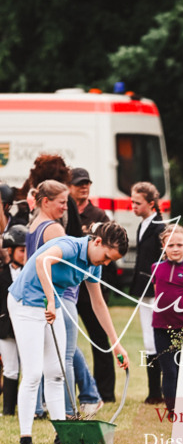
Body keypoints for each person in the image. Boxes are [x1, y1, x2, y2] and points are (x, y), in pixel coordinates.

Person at [8, 221, 129, 444]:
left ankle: (62, 434)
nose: (105, 262)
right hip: (25, 302)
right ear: (98, 242)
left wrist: (116, 344)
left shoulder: (94, 265)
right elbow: (43, 262)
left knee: (56, 372)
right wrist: (52, 300)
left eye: (109, 261)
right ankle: (25, 438)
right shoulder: (70, 246)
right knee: (34, 373)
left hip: (50, 305)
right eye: (106, 257)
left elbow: (98, 303)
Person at [25, 179, 103, 419]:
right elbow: (64, 267)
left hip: (42, 295)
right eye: (62, 202)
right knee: (65, 356)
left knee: (54, 353)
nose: (66, 207)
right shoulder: (54, 229)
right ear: (46, 201)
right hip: (61, 295)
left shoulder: (32, 224)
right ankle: (71, 410)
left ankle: (49, 405)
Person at [69, 167, 117, 403]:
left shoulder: (99, 215)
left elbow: (110, 250)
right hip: (68, 287)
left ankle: (105, 393)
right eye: (79, 183)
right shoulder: (64, 213)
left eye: (86, 183)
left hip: (91, 287)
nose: (84, 187)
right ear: (69, 187)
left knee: (99, 338)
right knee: (67, 341)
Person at [152, 226, 183, 414]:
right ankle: (172, 409)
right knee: (169, 370)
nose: (175, 248)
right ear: (164, 246)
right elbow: (158, 296)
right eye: (170, 245)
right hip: (160, 327)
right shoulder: (156, 268)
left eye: (179, 244)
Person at [130, 181, 166, 404]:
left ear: (151, 204)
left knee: (156, 338)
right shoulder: (142, 225)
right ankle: (153, 390)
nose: (133, 206)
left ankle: (158, 390)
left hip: (156, 291)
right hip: (143, 289)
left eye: (137, 203)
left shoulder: (161, 228)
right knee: (148, 339)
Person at [0, 224, 27, 416]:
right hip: (6, 327)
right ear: (10, 250)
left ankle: (32, 407)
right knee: (10, 367)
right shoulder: (2, 274)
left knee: (29, 368)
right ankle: (8, 409)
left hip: (27, 326)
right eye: (22, 250)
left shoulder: (32, 273)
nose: (25, 254)